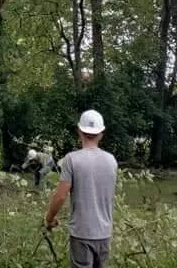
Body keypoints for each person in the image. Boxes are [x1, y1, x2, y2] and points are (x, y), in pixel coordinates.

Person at [44, 109, 118, 268]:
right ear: (101, 133)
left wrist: (49, 218)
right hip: (104, 234)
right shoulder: (111, 161)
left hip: (82, 234)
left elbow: (61, 196)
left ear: (79, 131)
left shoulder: (71, 159)